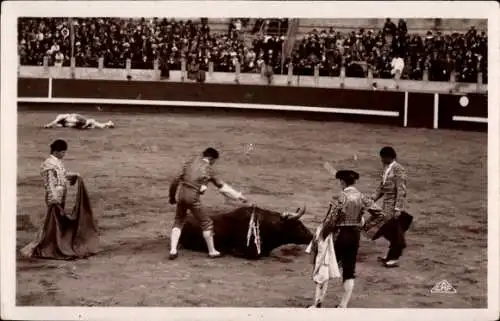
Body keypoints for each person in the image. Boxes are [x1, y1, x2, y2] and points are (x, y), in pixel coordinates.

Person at [311, 170, 382, 308]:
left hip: (339, 235)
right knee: (349, 270)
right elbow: (380, 214)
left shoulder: (339, 197)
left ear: (342, 182)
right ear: (354, 182)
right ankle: (343, 305)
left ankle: (317, 303)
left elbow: (331, 221)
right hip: (354, 236)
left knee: (324, 266)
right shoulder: (362, 197)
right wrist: (364, 227)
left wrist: (321, 237)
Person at [20, 139, 99, 260]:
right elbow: (49, 183)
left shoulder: (56, 162)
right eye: (63, 152)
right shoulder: (49, 164)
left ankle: (53, 243)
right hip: (55, 196)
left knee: (55, 222)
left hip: (60, 194)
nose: (64, 154)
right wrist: (53, 199)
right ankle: (43, 245)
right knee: (51, 221)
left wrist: (75, 175)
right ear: (56, 152)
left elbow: (62, 175)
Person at [168, 147, 249, 260]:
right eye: (214, 161)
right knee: (207, 223)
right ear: (211, 158)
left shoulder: (189, 164)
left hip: (181, 195)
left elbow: (175, 181)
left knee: (179, 220)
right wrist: (238, 196)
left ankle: (173, 250)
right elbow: (222, 187)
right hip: (192, 198)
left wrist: (172, 196)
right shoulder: (208, 170)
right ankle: (212, 251)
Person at [365, 146, 408, 268]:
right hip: (386, 205)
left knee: (392, 231)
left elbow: (401, 190)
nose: (382, 160)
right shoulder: (386, 169)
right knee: (389, 230)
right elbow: (381, 188)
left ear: (389, 157)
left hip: (393, 206)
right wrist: (372, 198)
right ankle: (390, 255)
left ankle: (394, 258)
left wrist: (398, 208)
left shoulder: (398, 169)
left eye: (383, 158)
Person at [43, 113, 115, 129]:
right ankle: (108, 124)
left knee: (90, 122)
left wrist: (48, 125)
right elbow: (57, 123)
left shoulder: (60, 117)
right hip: (76, 122)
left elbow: (55, 122)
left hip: (76, 117)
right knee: (93, 124)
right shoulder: (63, 123)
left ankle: (107, 124)